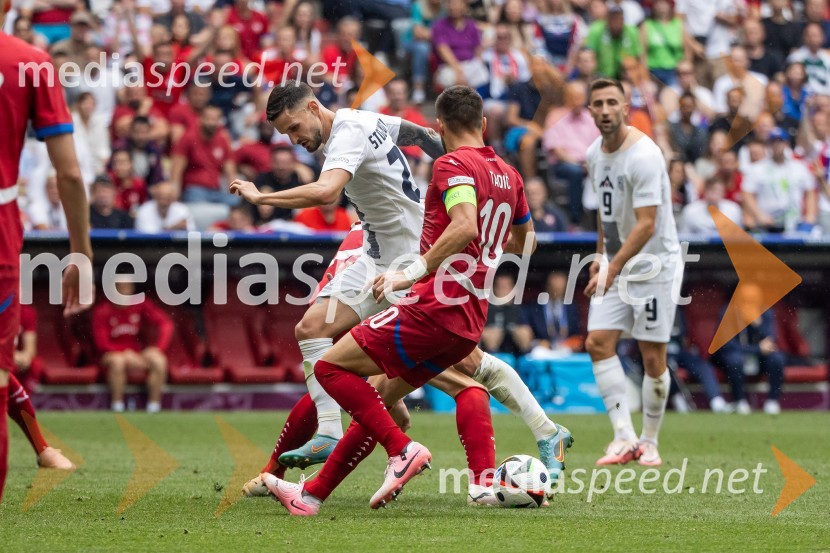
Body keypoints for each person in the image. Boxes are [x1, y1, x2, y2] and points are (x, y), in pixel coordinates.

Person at [232, 83, 571, 503]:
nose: (293, 139)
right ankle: (322, 460)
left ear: (314, 108)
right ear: (481, 125)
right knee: (317, 335)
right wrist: (467, 166)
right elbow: (418, 134)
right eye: (285, 134)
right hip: (381, 256)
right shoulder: (366, 119)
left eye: (294, 127)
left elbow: (326, 192)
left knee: (453, 372)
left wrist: (260, 196)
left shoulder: (355, 136)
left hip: (408, 263)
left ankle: (509, 448)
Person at [0, 0, 93, 501]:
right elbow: (72, 173)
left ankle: (41, 446)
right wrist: (80, 256)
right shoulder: (30, 61)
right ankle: (41, 447)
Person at [583, 78, 682, 467]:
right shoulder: (594, 154)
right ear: (589, 111)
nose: (605, 110)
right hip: (619, 261)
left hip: (655, 267)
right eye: (597, 104)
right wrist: (599, 255)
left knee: (652, 356)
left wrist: (612, 267)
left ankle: (650, 442)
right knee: (598, 342)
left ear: (626, 108)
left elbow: (646, 224)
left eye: (612, 103)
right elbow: (605, 212)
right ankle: (623, 437)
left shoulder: (644, 156)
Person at [92, 281, 173, 413]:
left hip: (135, 353)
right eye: (121, 286)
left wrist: (158, 348)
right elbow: (102, 344)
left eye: (128, 286)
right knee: (117, 362)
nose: (124, 290)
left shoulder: (140, 304)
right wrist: (124, 354)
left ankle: (154, 407)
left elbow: (166, 323)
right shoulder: (102, 311)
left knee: (159, 360)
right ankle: (117, 406)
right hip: (111, 354)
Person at [711, 283, 784, 415]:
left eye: (753, 300)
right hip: (734, 355)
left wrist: (757, 325)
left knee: (777, 359)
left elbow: (770, 341)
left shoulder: (765, 312)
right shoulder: (728, 312)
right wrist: (756, 349)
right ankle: (740, 401)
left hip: (759, 358)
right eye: (745, 300)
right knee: (735, 360)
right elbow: (727, 345)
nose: (749, 304)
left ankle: (772, 401)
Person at [544, 80, 600, 225]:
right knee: (576, 172)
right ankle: (576, 220)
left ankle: (598, 220)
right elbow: (556, 149)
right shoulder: (555, 116)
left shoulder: (591, 117)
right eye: (574, 97)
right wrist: (580, 164)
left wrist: (590, 162)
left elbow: (599, 144)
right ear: (566, 98)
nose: (578, 101)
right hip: (564, 164)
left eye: (580, 97)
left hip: (589, 163)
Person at [742, 127, 818, 232]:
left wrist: (810, 215)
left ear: (786, 143)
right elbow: (747, 193)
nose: (777, 145)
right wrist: (759, 215)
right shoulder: (757, 169)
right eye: (773, 142)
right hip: (768, 224)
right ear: (768, 145)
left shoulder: (799, 167)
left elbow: (810, 191)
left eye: (780, 141)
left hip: (794, 223)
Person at [171, 105, 238, 205]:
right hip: (194, 190)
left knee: (237, 202)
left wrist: (236, 193)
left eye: (215, 119)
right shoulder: (188, 138)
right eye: (208, 119)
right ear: (200, 119)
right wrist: (175, 195)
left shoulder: (223, 140)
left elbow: (231, 172)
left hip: (216, 191)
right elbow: (177, 169)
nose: (211, 123)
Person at [523, 271, 582, 354]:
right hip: (541, 351)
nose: (557, 291)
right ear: (547, 286)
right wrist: (539, 343)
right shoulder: (533, 307)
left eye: (560, 288)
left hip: (566, 351)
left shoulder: (572, 307)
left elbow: (577, 336)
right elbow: (527, 337)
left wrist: (569, 344)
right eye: (554, 287)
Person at [482, 274, 533, 356]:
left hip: (517, 355)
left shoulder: (520, 310)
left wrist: (516, 331)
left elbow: (527, 340)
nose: (503, 290)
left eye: (506, 287)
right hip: (492, 356)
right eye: (500, 287)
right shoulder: (486, 310)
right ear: (494, 289)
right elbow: (486, 340)